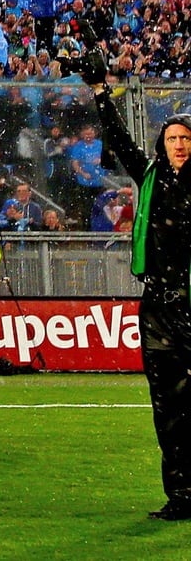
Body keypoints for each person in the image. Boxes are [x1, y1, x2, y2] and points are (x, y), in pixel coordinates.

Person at [84, 58, 191, 520]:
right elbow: (123, 142)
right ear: (162, 144)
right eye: (173, 138)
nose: (180, 144)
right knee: (166, 407)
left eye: (186, 138)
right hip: (158, 308)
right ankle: (182, 496)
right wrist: (102, 95)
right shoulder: (149, 176)